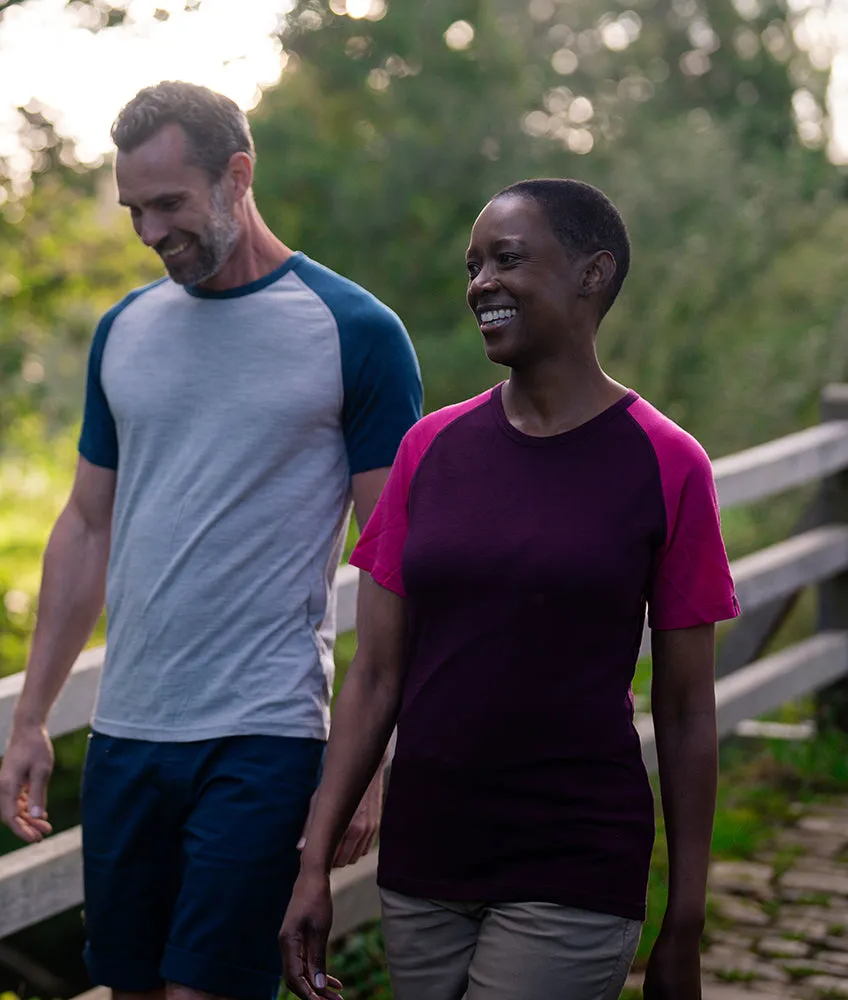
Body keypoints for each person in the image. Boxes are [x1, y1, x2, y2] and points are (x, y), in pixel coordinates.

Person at [0, 80, 422, 1000]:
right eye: (134, 211)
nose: (149, 232)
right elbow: (85, 526)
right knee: (130, 989)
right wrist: (32, 718)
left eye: (169, 204)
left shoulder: (354, 331)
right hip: (125, 733)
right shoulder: (123, 333)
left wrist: (374, 759)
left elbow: (395, 559)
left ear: (238, 175)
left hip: (263, 733)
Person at [279, 178, 739, 1000]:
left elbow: (686, 709)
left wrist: (686, 923)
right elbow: (376, 676)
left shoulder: (667, 464)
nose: (480, 283)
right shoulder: (430, 449)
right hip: (424, 864)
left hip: (574, 860)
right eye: (472, 265)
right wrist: (313, 866)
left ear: (592, 274)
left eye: (507, 259)